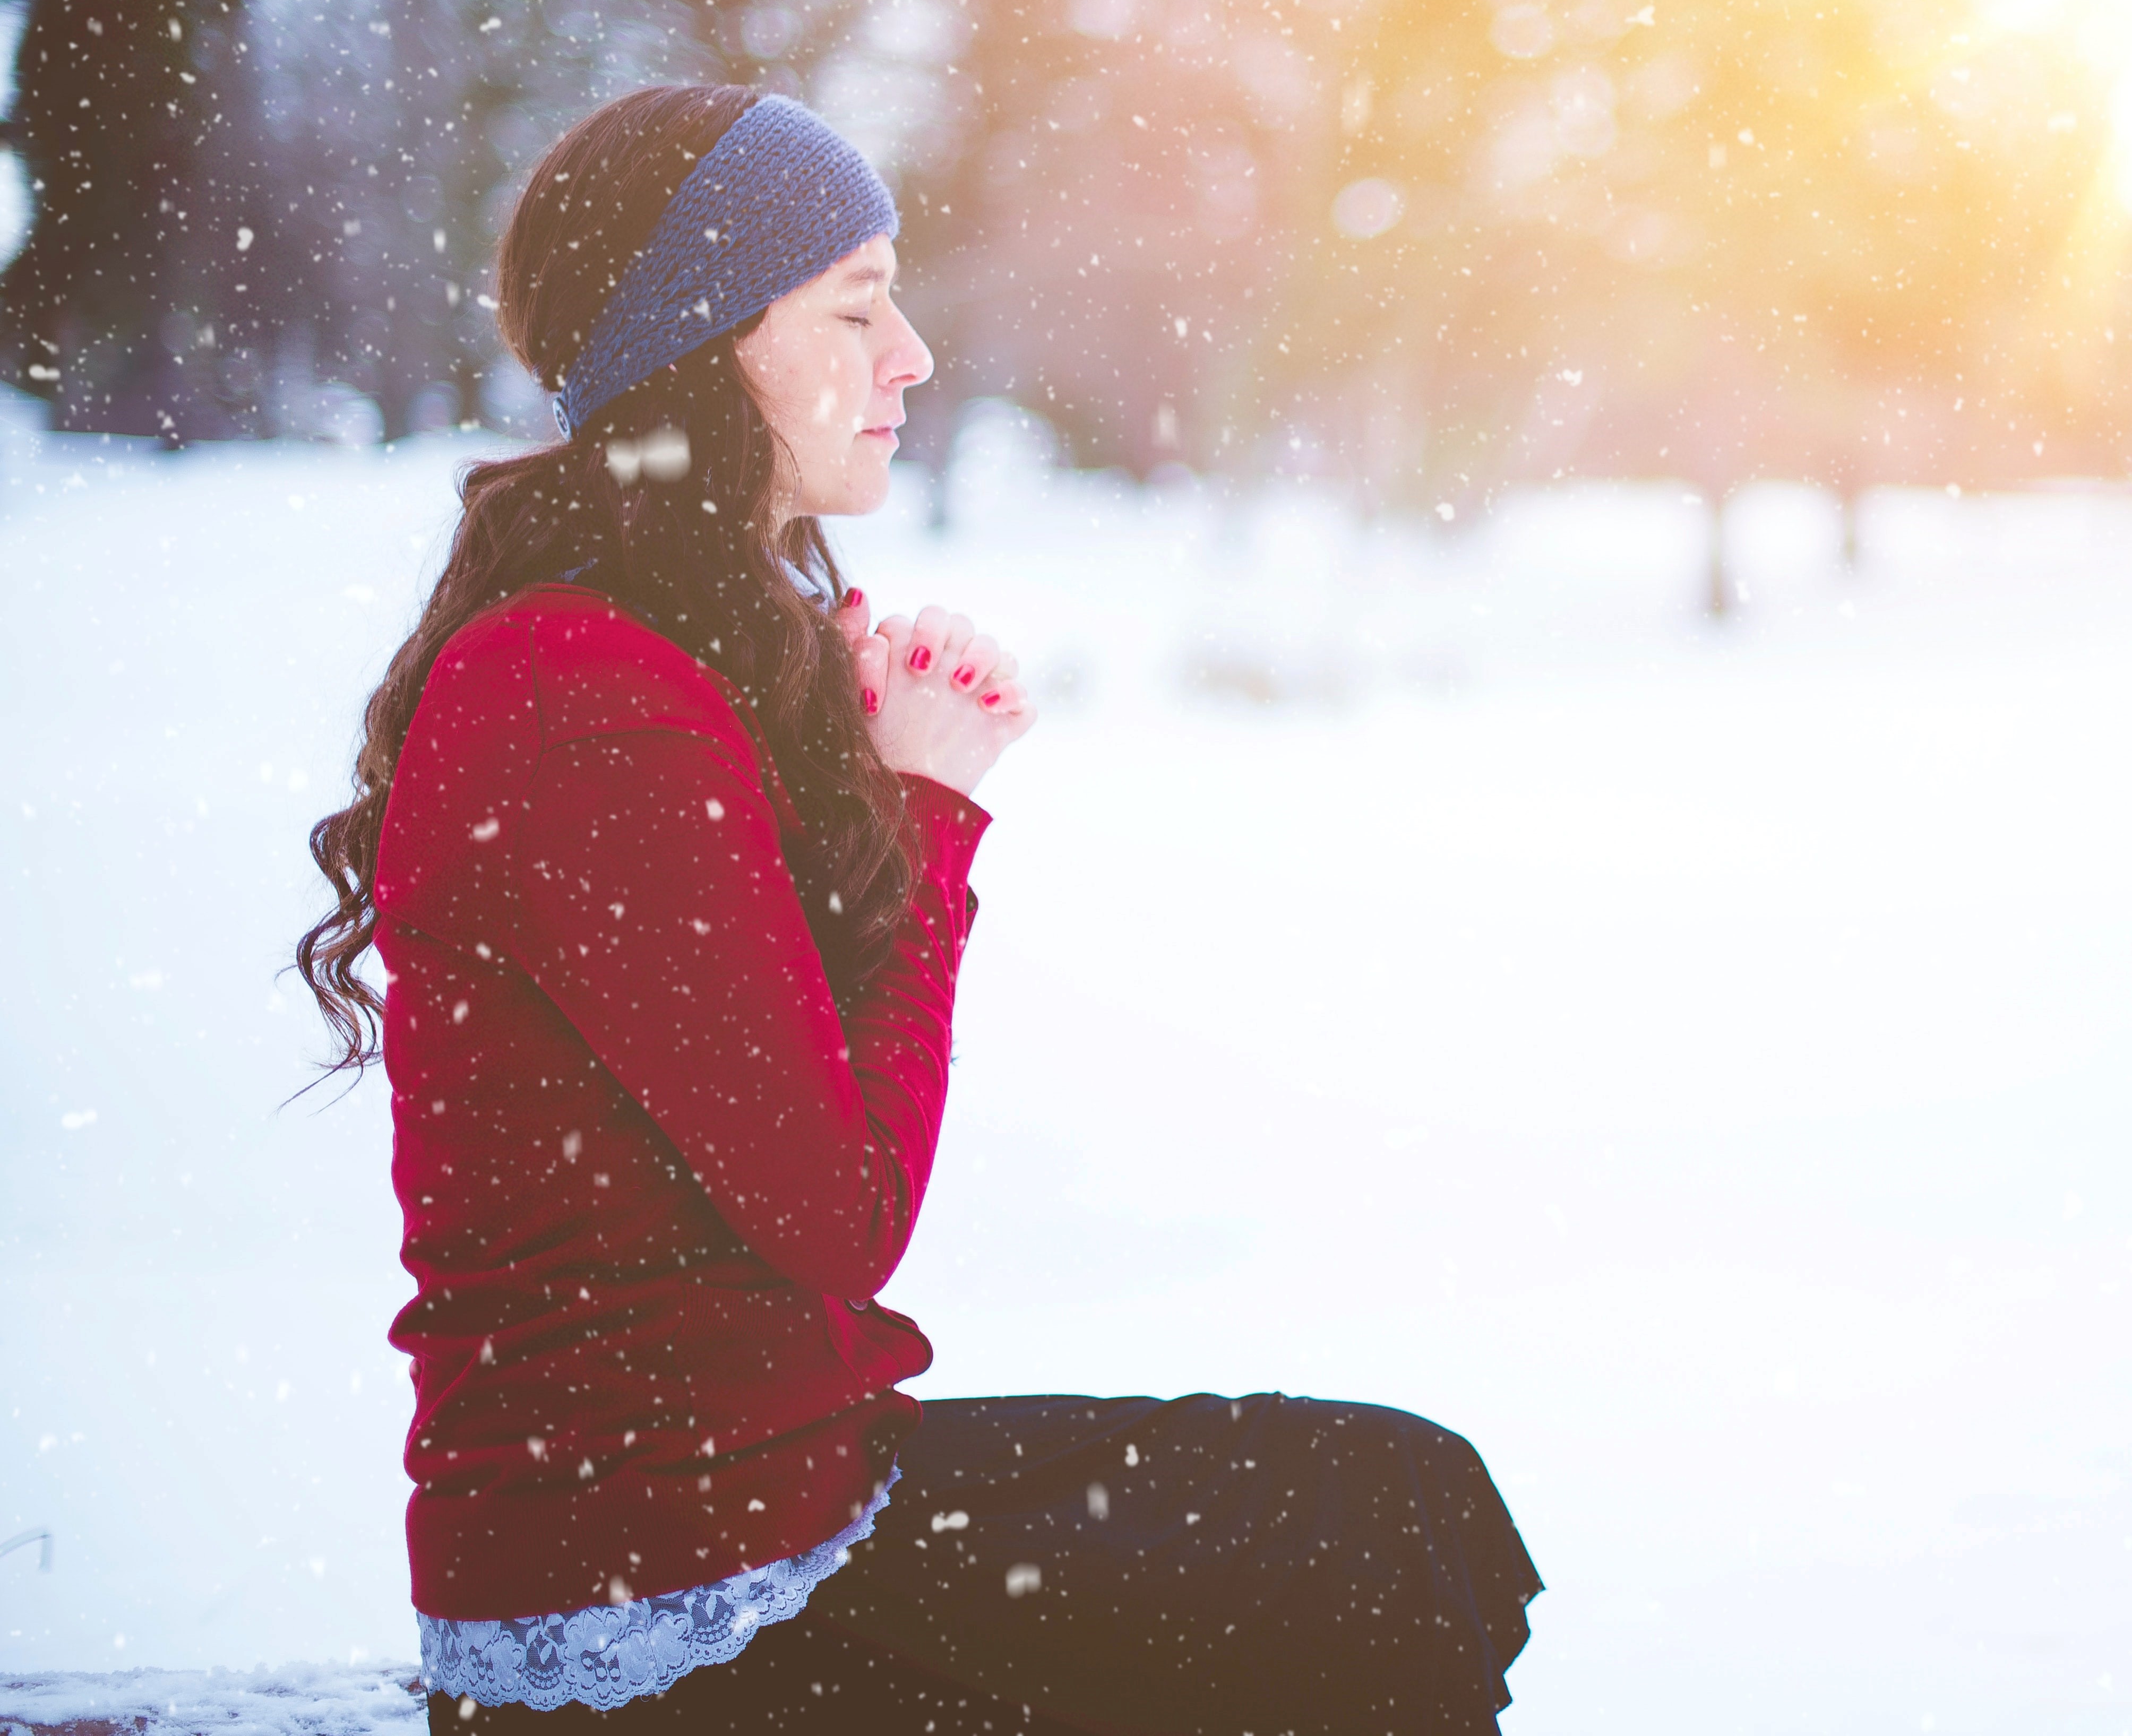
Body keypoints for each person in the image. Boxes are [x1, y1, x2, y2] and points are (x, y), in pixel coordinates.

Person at [298, 83, 1541, 1734]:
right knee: (1368, 1561)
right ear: (706, 342)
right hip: (667, 1618)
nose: (914, 358)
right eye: (857, 305)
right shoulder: (579, 695)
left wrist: (875, 797)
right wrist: (931, 815)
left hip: (774, 1514)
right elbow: (841, 1208)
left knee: (1413, 1508)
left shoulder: (646, 664)